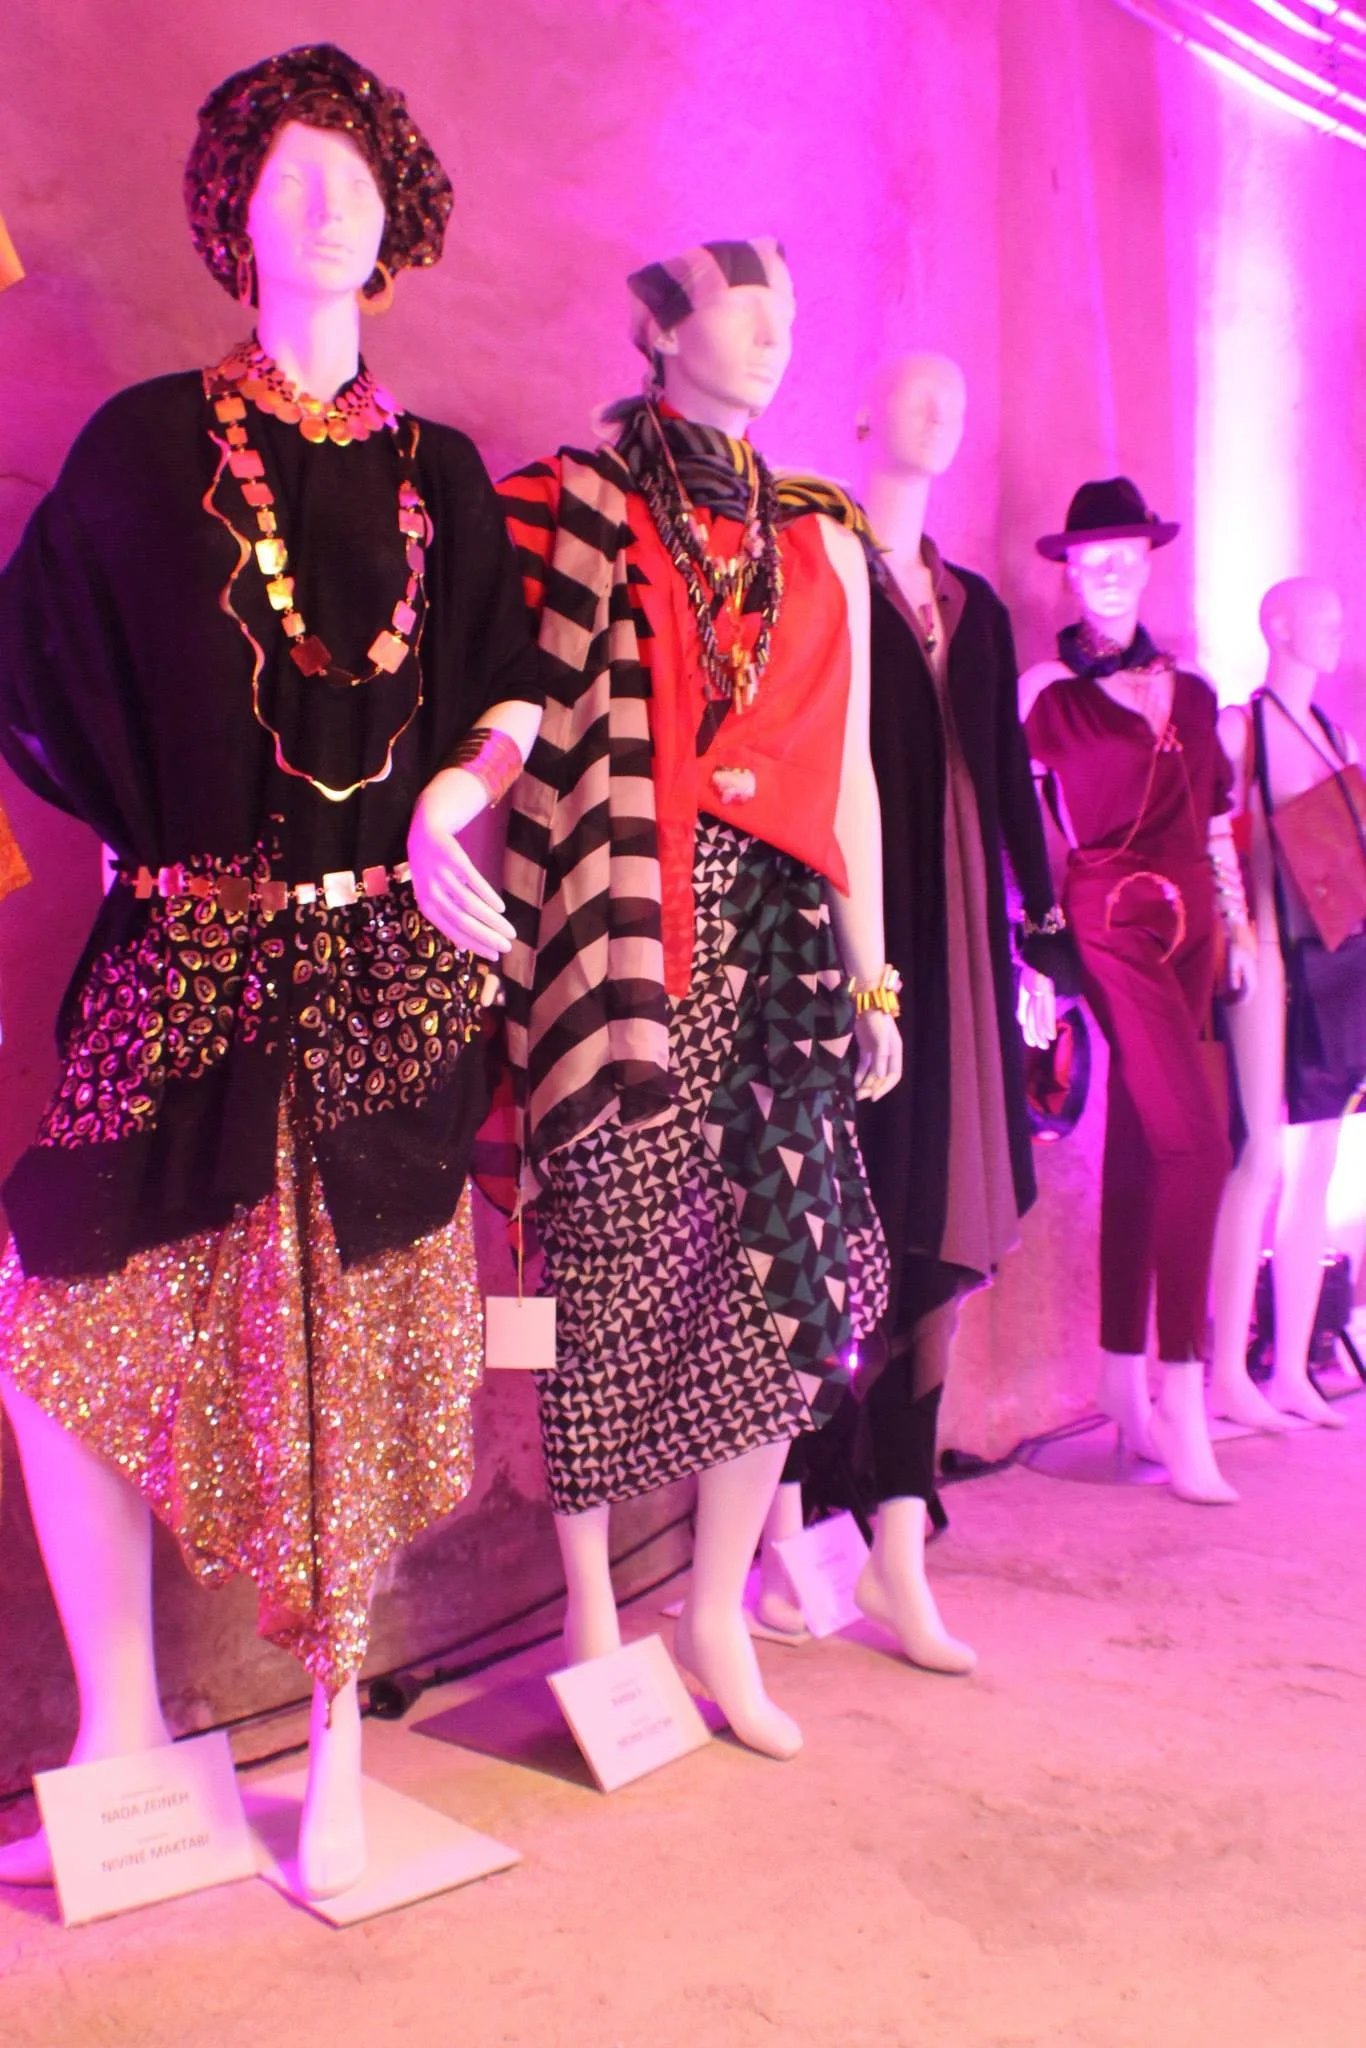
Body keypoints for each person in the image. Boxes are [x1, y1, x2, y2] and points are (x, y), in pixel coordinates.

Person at [0, 44, 546, 1898]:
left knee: (357, 1345)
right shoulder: (146, 446)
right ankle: (120, 1731)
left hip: (385, 966)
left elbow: (505, 688)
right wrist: (144, 824)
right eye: (288, 176)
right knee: (54, 1308)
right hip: (183, 950)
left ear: (397, 219)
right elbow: (43, 660)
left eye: (353, 178)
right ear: (233, 214)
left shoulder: (439, 472)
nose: (322, 205)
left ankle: (334, 1751)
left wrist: (452, 798)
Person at [489, 238, 895, 1759]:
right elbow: (511, 722)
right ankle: (593, 1611)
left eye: (791, 311)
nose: (776, 334)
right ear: (661, 331)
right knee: (604, 1256)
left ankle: (717, 1606)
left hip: (778, 944)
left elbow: (845, 780)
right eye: (743, 308)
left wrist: (874, 976)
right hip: (622, 924)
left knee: (787, 1284)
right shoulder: (571, 503)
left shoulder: (821, 546)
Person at [758, 353, 1070, 1672]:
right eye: (914, 391)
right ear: (861, 415)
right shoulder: (813, 571)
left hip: (956, 951)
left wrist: (1042, 921)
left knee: (938, 1223)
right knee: (824, 1226)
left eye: (959, 395)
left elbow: (1002, 766)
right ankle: (788, 1527)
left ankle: (897, 1531)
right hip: (842, 940)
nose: (942, 409)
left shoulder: (974, 606)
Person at [1021, 478, 1254, 1505]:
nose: (1108, 571)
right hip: (1110, 913)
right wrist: (1032, 947)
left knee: (1143, 1137)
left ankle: (1121, 1372)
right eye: (1090, 558)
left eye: (1124, 553)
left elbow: (1214, 818)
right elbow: (1019, 824)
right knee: (1199, 1143)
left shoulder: (1194, 688)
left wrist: (1238, 920)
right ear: (1069, 572)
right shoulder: (1046, 693)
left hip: (1193, 921)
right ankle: (1183, 1391)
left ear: (1150, 560)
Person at [1209, 579, 1365, 1429]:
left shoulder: (1339, 735)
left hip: (1335, 955)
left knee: (1318, 1157)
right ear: (1278, 626)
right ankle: (1228, 1367)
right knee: (1260, 1154)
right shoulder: (1241, 729)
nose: (1337, 632)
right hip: (1265, 951)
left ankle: (1292, 1367)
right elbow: (1212, 835)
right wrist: (1234, 925)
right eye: (1323, 619)